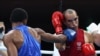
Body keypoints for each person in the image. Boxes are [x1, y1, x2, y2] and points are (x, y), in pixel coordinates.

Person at [3, 8, 67, 56]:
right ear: (25, 20)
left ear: (11, 20)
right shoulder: (37, 32)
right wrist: (62, 30)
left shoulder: (9, 36)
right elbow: (59, 39)